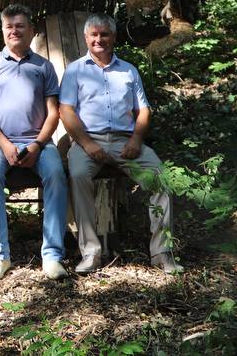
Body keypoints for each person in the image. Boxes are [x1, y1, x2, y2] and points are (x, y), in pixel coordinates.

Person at [59, 14, 183, 275]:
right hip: (87, 141)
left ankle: (162, 252)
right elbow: (66, 111)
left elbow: (144, 111)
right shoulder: (75, 70)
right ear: (86, 38)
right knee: (78, 175)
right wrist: (87, 144)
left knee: (162, 179)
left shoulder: (128, 70)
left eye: (104, 34)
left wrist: (137, 139)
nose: (99, 39)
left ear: (113, 38)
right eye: (93, 35)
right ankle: (91, 253)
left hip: (126, 142)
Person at [0, 4, 69, 280]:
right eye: (9, 27)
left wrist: (38, 145)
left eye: (20, 26)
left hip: (38, 142)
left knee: (55, 173)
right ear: (3, 31)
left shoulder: (44, 66)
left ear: (31, 31)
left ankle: (52, 256)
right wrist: (4, 145)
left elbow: (54, 113)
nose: (14, 31)